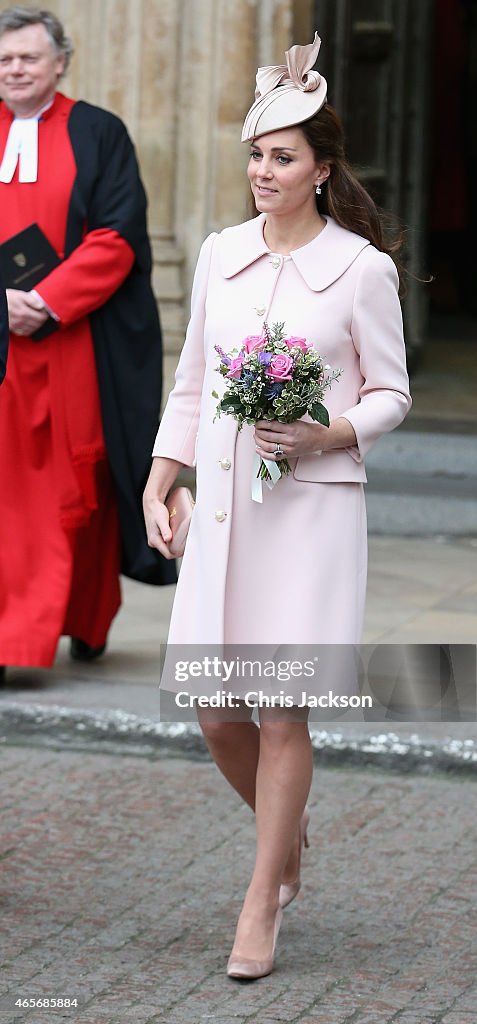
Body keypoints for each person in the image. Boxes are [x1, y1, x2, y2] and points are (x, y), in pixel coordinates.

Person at [143, 34, 411, 980]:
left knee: (285, 714)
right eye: (255, 154)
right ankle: (285, 834)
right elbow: (188, 380)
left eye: (282, 157)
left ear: (321, 169)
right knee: (219, 713)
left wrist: (325, 433)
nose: (263, 171)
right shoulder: (218, 253)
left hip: (312, 514)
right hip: (224, 511)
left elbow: (391, 394)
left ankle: (262, 900)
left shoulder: (362, 270)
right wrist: (160, 476)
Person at [0, 7, 175, 672]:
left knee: (79, 488)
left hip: (72, 342)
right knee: (10, 496)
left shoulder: (99, 133)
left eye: (28, 58)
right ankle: (12, 637)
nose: (15, 70)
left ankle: (86, 614)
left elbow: (118, 234)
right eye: (5, 59)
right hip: (1, 348)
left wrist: (45, 301)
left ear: (60, 62)